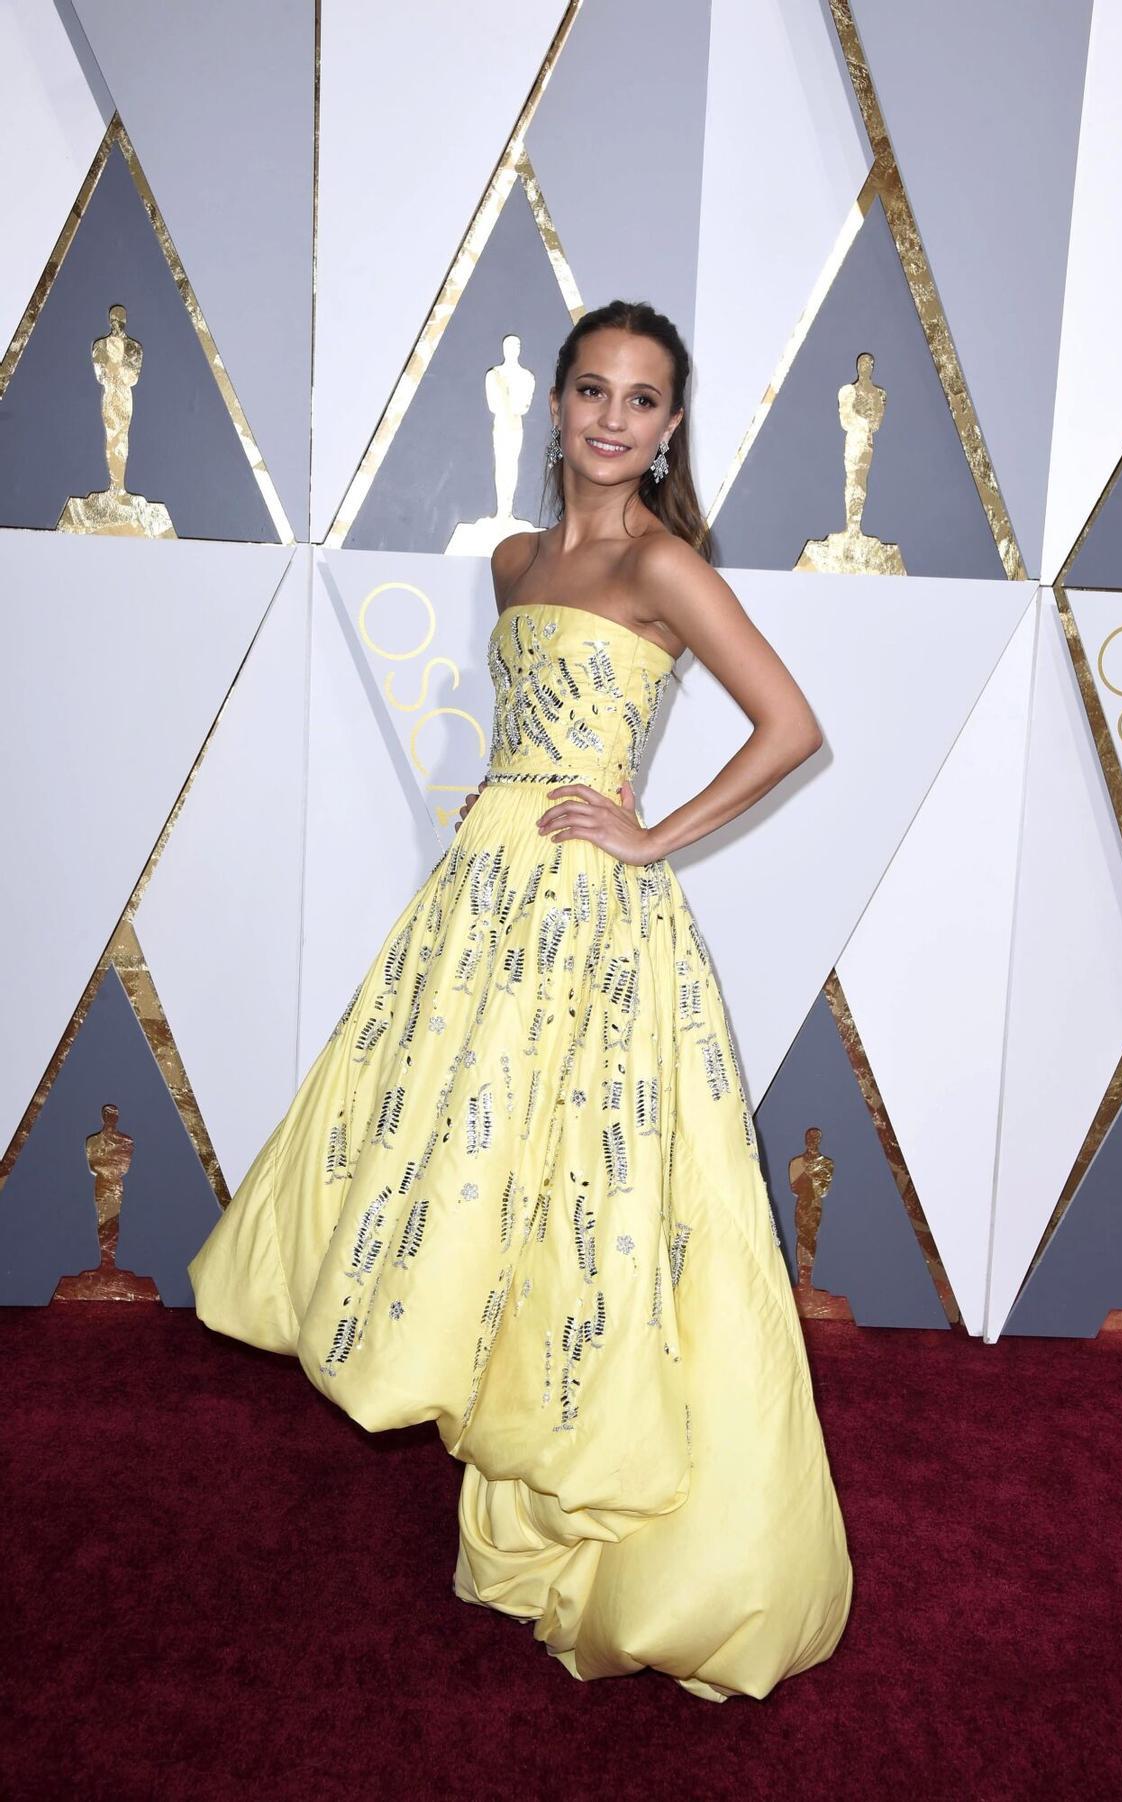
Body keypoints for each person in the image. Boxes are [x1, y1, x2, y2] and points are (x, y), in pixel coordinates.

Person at [188, 299, 853, 1701]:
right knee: (477, 1173)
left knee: (587, 1194)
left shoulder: (664, 565)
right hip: (480, 903)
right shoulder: (510, 562)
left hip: (588, 920)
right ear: (555, 407)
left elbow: (791, 726)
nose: (615, 418)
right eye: (594, 390)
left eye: (645, 399)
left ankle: (600, 1483)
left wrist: (653, 832)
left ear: (671, 428)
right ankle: (514, 1434)